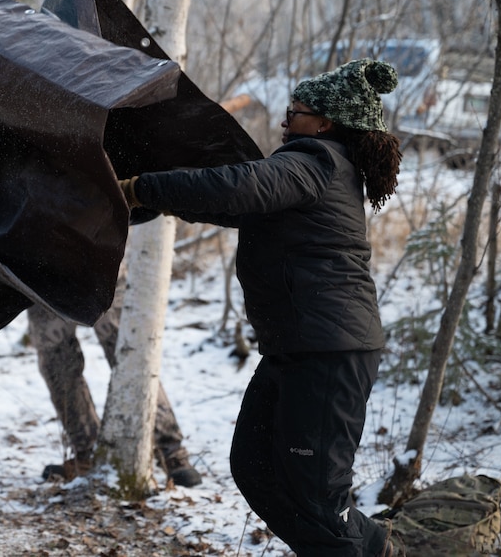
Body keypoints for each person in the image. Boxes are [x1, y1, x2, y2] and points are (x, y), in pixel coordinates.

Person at [118, 58, 403, 556]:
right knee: (255, 467)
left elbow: (238, 185)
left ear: (325, 122)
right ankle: (377, 547)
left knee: (317, 498)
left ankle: (362, 549)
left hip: (328, 353)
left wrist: (144, 186)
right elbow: (231, 203)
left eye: (293, 112)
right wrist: (153, 198)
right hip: (298, 348)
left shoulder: (315, 161)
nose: (284, 121)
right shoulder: (318, 169)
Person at [27, 271, 202, 488]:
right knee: (56, 360)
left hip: (101, 253)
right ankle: (86, 454)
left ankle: (171, 452)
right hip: (37, 267)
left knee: (129, 350)